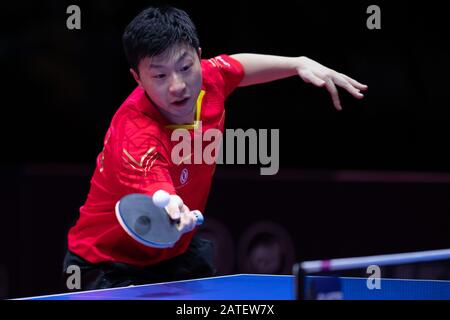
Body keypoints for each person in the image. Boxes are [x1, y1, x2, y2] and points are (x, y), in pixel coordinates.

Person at [63, 6, 367, 291]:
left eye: (185, 66)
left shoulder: (208, 78)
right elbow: (156, 188)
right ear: (137, 78)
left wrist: (297, 63)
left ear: (198, 56)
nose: (178, 85)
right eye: (159, 75)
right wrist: (172, 204)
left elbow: (238, 68)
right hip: (107, 263)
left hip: (175, 254)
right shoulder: (134, 131)